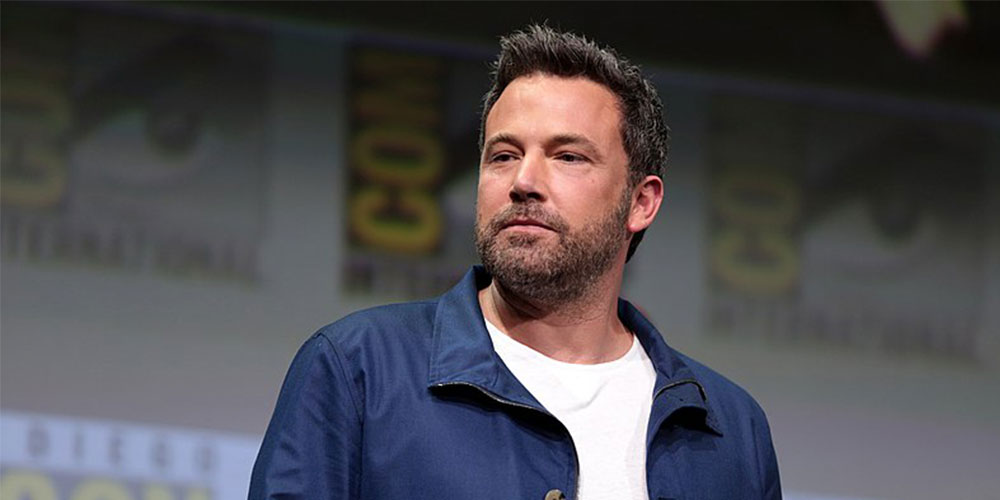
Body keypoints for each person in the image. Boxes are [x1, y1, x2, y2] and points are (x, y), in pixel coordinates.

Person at [249, 25, 781, 500]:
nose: (524, 181)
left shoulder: (733, 431)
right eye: (503, 156)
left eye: (567, 156)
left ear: (641, 202)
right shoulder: (357, 370)